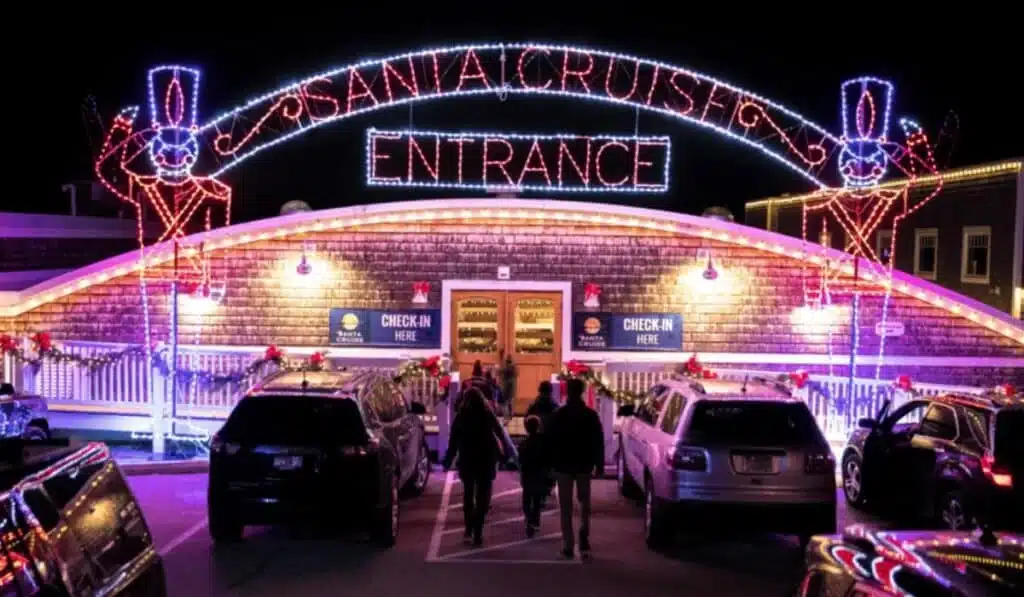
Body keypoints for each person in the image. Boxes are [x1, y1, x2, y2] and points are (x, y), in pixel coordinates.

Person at [545, 378, 604, 559]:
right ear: (582, 392)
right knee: (584, 503)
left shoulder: (558, 415)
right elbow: (598, 441)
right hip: (584, 464)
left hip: (563, 465)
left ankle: (568, 543)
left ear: (567, 392)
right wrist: (599, 464)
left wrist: (550, 464)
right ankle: (583, 536)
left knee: (566, 506)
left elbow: (550, 442)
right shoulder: (590, 415)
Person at [443, 387, 506, 547]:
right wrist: (504, 454)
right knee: (483, 497)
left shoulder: (461, 416)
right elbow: (499, 433)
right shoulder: (487, 414)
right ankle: (478, 531)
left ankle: (468, 529)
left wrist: (448, 460)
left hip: (467, 460)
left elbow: (453, 441)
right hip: (485, 459)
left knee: (468, 495)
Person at [518, 415, 552, 537]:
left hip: (528, 474)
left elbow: (520, 459)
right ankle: (535, 521)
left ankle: (528, 518)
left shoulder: (524, 443)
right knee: (537, 500)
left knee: (527, 499)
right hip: (540, 474)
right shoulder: (543, 442)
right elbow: (548, 458)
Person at [498, 351, 517, 423]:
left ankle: (506, 417)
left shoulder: (507, 366)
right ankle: (510, 415)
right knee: (509, 401)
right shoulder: (514, 366)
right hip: (511, 386)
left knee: (504, 402)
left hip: (506, 386)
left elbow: (500, 371)